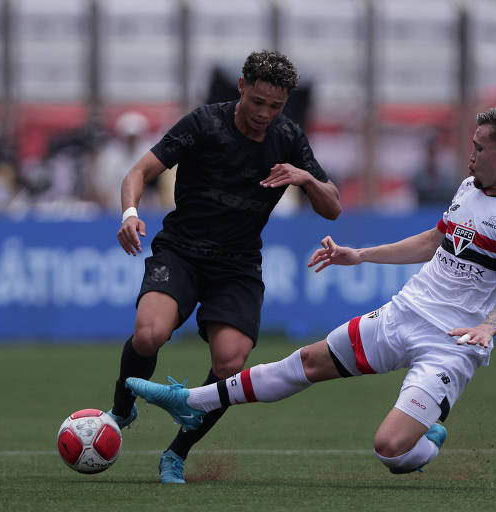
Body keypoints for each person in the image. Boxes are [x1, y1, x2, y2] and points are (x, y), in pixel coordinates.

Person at [125, 105, 496, 476]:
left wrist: (489, 327)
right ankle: (190, 400)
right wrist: (360, 255)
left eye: (478, 147)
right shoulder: (471, 187)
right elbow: (435, 240)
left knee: (390, 449)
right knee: (307, 361)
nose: (470, 153)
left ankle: (426, 438)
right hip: (406, 312)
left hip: (452, 343)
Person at [106, 50, 341, 484]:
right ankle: (120, 410)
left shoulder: (288, 137)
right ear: (241, 87)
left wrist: (306, 179)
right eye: (258, 102)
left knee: (231, 364)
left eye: (276, 105)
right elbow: (138, 171)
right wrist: (129, 213)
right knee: (149, 333)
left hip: (237, 266)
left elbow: (333, 208)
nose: (265, 114)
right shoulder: (204, 124)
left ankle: (177, 453)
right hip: (181, 251)